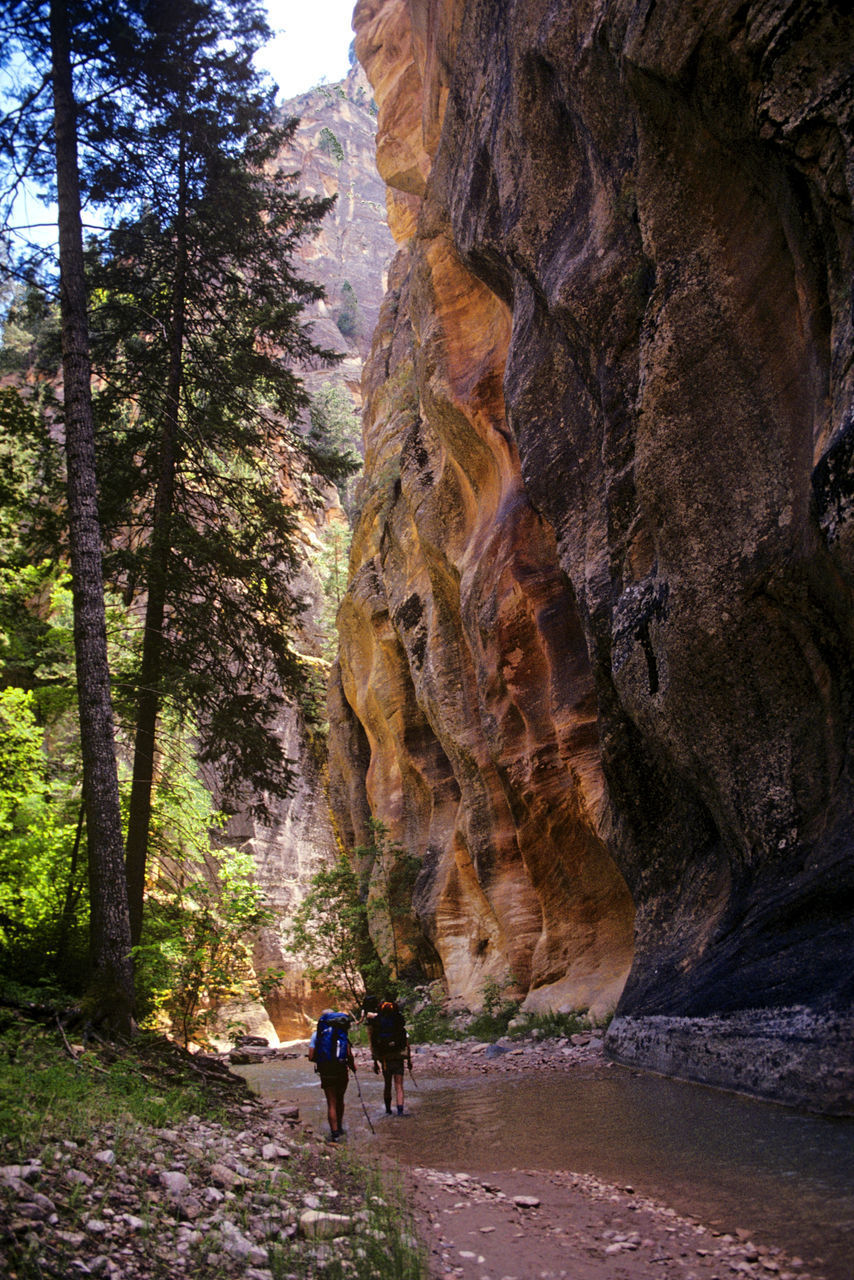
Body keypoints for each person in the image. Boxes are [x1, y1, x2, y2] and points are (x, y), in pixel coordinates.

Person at [308, 1010, 356, 1141]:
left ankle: (334, 1133)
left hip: (326, 1070)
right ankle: (340, 1127)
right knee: (340, 1099)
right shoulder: (341, 1032)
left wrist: (322, 1060)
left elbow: (311, 1056)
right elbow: (348, 1054)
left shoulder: (317, 1034)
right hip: (341, 1069)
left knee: (331, 1102)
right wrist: (353, 1067)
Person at [371, 997, 411, 1115]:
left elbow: (374, 1044)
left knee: (387, 1084)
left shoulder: (378, 1023)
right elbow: (406, 1044)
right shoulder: (398, 1022)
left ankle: (388, 1110)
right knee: (399, 1085)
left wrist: (375, 1062)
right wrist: (409, 1061)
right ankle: (400, 1111)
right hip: (398, 1056)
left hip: (385, 1057)